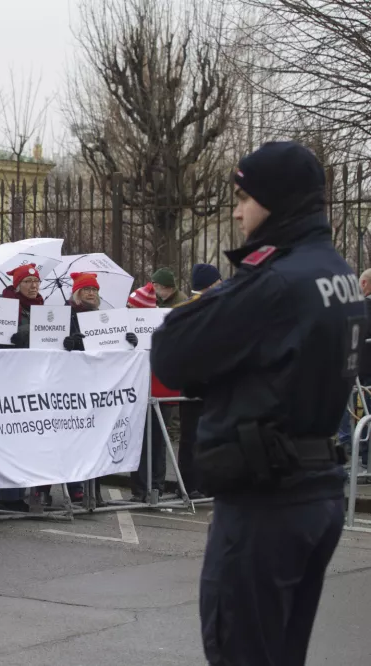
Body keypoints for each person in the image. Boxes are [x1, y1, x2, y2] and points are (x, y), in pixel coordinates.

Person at [152, 141, 361, 666]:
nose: (238, 211)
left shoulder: (275, 281)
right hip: (316, 490)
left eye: (245, 197)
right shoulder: (336, 272)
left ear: (278, 201)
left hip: (267, 498)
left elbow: (173, 352)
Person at [63, 272, 139, 506]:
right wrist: (70, 342)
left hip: (98, 386)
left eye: (94, 290)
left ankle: (93, 490)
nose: (91, 294)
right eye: (87, 290)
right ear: (77, 293)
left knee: (96, 439)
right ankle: (75, 489)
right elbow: (55, 343)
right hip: (74, 386)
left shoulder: (103, 317)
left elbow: (111, 349)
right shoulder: (67, 316)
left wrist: (129, 341)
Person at [0, 265, 46, 510]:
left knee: (29, 437)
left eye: (36, 281)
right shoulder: (3, 305)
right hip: (9, 380)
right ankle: (7, 495)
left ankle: (23, 492)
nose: (33, 286)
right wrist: (26, 333)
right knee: (11, 437)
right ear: (17, 285)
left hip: (35, 380)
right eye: (28, 281)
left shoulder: (42, 309)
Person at [177, 265, 224, 499]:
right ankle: (190, 483)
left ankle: (205, 482)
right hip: (195, 383)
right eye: (218, 282)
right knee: (191, 436)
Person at [126, 282, 171, 502]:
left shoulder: (157, 323)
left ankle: (148, 487)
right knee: (151, 442)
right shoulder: (161, 322)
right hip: (151, 389)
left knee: (149, 441)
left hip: (153, 388)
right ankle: (151, 487)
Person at [338, 267, 371, 473]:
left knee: (347, 406)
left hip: (359, 371)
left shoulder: (362, 308)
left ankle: (354, 453)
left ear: (365, 284)